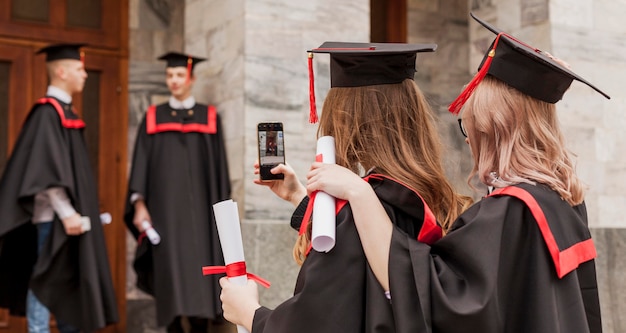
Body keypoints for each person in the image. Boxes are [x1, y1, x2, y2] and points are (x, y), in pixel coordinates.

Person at [305, 13, 610, 333]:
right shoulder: (564, 203)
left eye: (470, 126)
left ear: (494, 129)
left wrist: (360, 193)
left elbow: (439, 301)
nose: (467, 139)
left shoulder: (510, 211)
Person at [219, 41, 473, 332]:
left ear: (347, 119)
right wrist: (299, 198)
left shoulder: (362, 206)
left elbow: (317, 321)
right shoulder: (427, 197)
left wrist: (250, 313)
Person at [0, 43, 119, 332]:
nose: (86, 75)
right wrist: (67, 213)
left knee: (68, 283)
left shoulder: (66, 112)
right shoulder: (47, 113)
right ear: (62, 71)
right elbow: (45, 171)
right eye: (80, 69)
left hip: (67, 220)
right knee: (44, 281)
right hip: (53, 220)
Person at [124, 51, 232, 333]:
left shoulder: (208, 118)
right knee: (169, 279)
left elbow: (219, 170)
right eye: (169, 75)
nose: (174, 80)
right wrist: (139, 205)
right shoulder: (153, 117)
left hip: (202, 219)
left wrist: (223, 214)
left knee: (200, 277)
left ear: (191, 79)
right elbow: (141, 165)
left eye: (179, 75)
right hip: (165, 214)